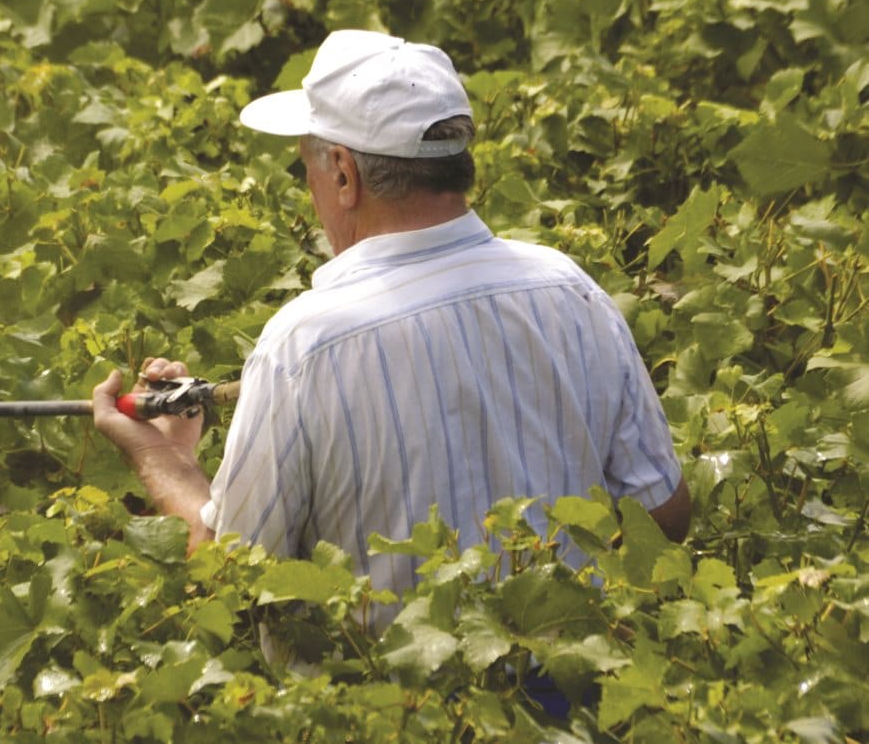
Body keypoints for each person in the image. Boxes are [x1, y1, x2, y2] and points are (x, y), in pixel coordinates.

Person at [91, 30, 690, 612]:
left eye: (310, 171)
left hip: (385, 710)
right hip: (582, 695)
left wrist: (165, 461)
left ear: (345, 175)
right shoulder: (569, 289)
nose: (312, 191)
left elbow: (235, 575)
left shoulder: (303, 346)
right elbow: (663, 514)